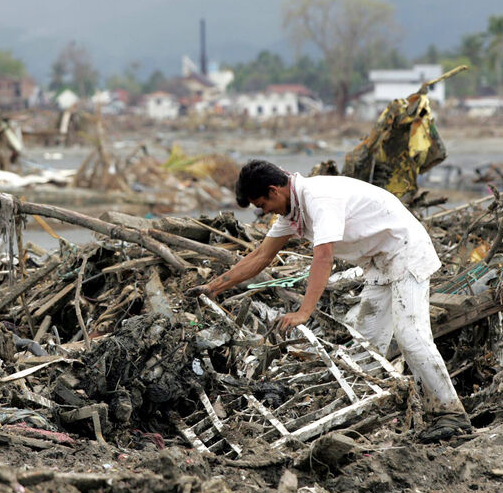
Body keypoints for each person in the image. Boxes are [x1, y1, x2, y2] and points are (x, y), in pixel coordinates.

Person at [187, 160, 471, 443]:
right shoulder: (292, 211)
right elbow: (260, 256)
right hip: (379, 263)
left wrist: (304, 312)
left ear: (274, 191)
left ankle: (451, 415)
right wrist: (213, 287)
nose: (264, 212)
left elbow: (324, 256)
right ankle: (362, 415)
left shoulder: (318, 198)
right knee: (366, 346)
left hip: (405, 251)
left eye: (261, 204)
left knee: (411, 336)